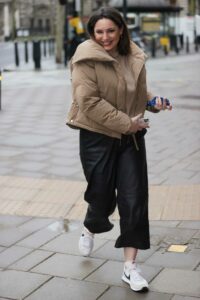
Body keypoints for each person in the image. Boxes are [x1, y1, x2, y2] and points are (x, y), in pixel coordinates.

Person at [67, 7, 172, 292]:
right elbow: (89, 102)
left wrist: (154, 103)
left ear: (121, 30)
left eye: (110, 31)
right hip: (97, 136)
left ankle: (130, 267)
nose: (105, 37)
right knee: (101, 196)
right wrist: (128, 123)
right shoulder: (85, 59)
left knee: (134, 198)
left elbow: (136, 93)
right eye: (99, 32)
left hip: (131, 138)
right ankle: (91, 224)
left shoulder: (132, 55)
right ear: (92, 33)